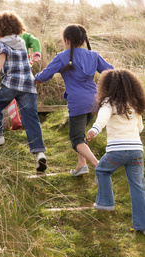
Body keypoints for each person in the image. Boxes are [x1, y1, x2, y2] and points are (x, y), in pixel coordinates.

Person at [35, 24, 113, 176]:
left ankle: (98, 166)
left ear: (67, 40)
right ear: (84, 40)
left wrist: (36, 78)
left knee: (76, 140)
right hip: (95, 102)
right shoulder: (93, 55)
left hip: (78, 104)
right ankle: (81, 165)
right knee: (81, 134)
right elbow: (111, 71)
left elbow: (44, 76)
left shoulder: (62, 57)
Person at [0, 10, 47, 172]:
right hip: (28, 86)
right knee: (31, 119)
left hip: (12, 83)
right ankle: (40, 153)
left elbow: (2, 55)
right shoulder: (20, 41)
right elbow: (7, 57)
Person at [87, 68, 145, 236]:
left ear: (108, 85)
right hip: (136, 150)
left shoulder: (109, 101)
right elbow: (140, 127)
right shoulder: (135, 102)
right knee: (139, 187)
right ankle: (144, 226)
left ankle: (105, 202)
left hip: (117, 150)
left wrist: (94, 130)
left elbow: (103, 118)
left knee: (102, 170)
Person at [0, 30, 41, 130]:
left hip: (9, 73)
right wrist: (36, 54)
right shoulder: (25, 36)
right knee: (24, 95)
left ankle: (15, 119)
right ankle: (26, 123)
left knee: (8, 93)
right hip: (25, 70)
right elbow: (36, 41)